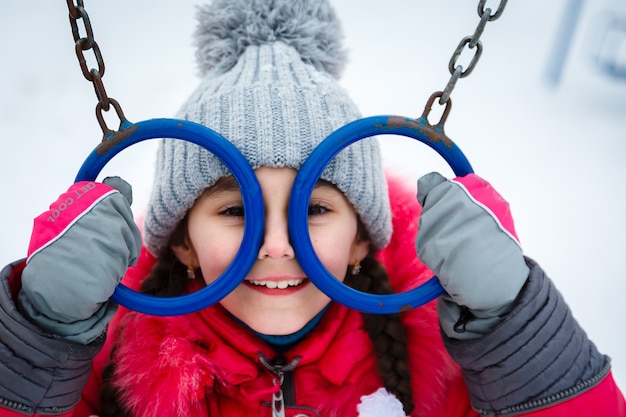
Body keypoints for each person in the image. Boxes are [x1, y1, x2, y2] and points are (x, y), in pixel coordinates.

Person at [0, 0, 624, 416]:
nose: (276, 244)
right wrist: (37, 338)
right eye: (236, 212)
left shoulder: (451, 365)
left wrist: (516, 332)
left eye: (315, 209)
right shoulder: (99, 360)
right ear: (183, 243)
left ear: (360, 240)